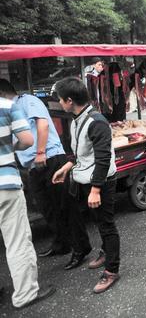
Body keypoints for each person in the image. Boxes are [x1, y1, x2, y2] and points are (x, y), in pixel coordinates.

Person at [51, 77, 121, 294]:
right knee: (98, 221)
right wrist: (67, 167)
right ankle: (105, 252)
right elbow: (81, 153)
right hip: (86, 181)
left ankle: (112, 269)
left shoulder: (96, 122)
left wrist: (96, 190)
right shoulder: (77, 120)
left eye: (61, 100)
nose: (60, 104)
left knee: (107, 225)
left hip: (100, 183)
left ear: (70, 100)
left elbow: (102, 159)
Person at [0, 80, 71, 259]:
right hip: (32, 165)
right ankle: (61, 242)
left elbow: (43, 124)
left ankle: (76, 247)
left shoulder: (27, 101)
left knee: (61, 204)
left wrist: (40, 152)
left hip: (49, 158)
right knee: (45, 207)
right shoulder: (8, 111)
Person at [0, 89, 56, 308]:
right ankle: (25, 294)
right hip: (5, 183)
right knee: (16, 241)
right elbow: (26, 139)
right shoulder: (6, 105)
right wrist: (8, 148)